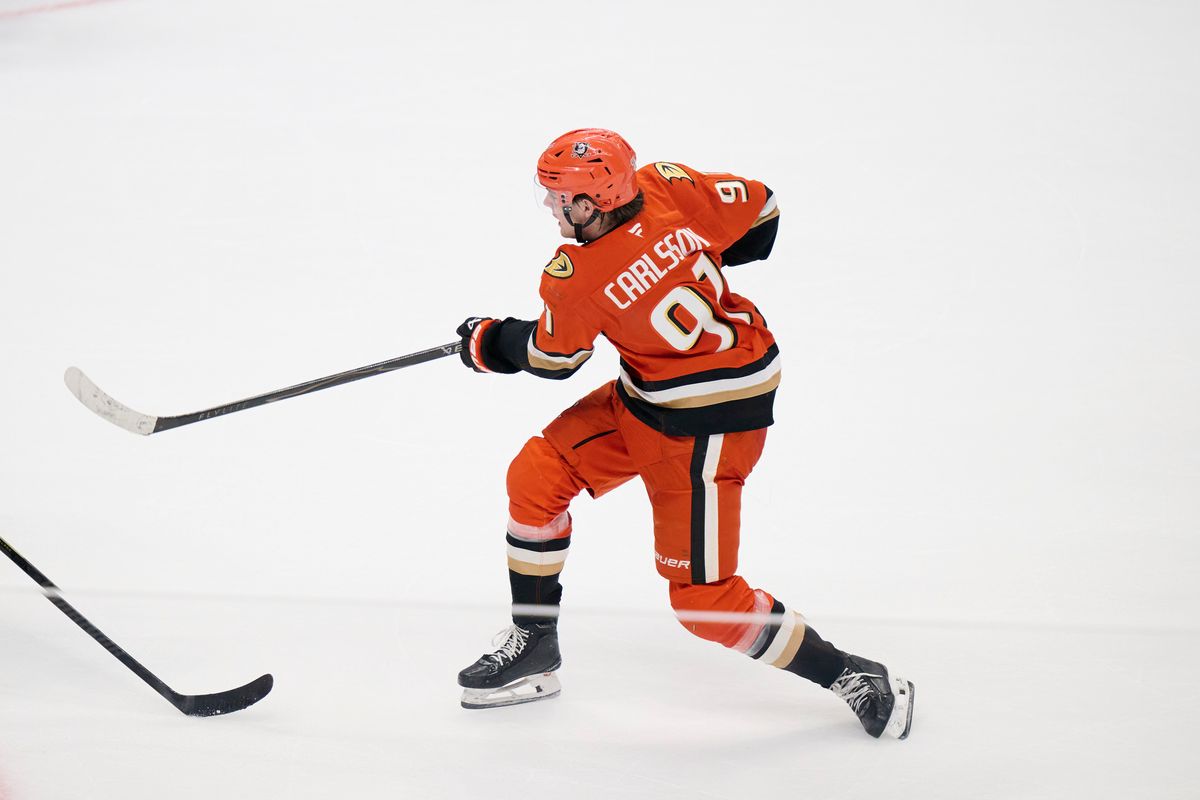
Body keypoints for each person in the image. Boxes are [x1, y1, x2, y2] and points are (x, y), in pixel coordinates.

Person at [454, 128, 914, 739]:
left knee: (704, 601)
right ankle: (535, 644)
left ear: (590, 203)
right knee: (535, 479)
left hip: (709, 428)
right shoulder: (668, 184)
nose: (549, 206)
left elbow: (552, 358)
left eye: (558, 197)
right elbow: (763, 212)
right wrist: (686, 262)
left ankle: (854, 675)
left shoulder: (575, 276)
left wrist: (488, 342)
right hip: (649, 397)